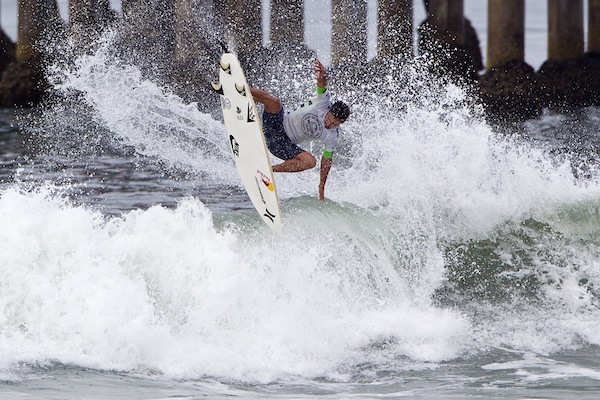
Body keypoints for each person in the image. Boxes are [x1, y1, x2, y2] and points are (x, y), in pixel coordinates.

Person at [250, 60, 350, 201]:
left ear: (341, 123)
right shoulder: (323, 102)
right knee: (275, 102)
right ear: (329, 110)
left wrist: (321, 186)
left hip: (282, 145)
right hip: (275, 124)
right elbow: (322, 84)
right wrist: (322, 74)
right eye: (330, 119)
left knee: (310, 162)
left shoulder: (332, 137)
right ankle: (241, 90)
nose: (329, 124)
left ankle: (268, 170)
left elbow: (326, 161)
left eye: (335, 124)